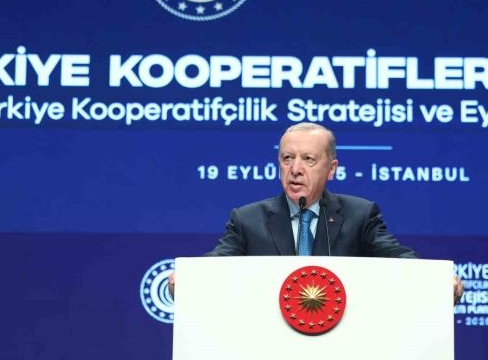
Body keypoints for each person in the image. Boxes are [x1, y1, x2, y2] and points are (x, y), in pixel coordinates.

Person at [169, 122, 464, 304]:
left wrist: (433, 279)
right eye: (287, 158)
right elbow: (218, 262)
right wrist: (190, 278)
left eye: (308, 159)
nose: (295, 169)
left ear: (331, 169)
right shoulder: (247, 219)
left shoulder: (360, 215)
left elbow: (395, 255)